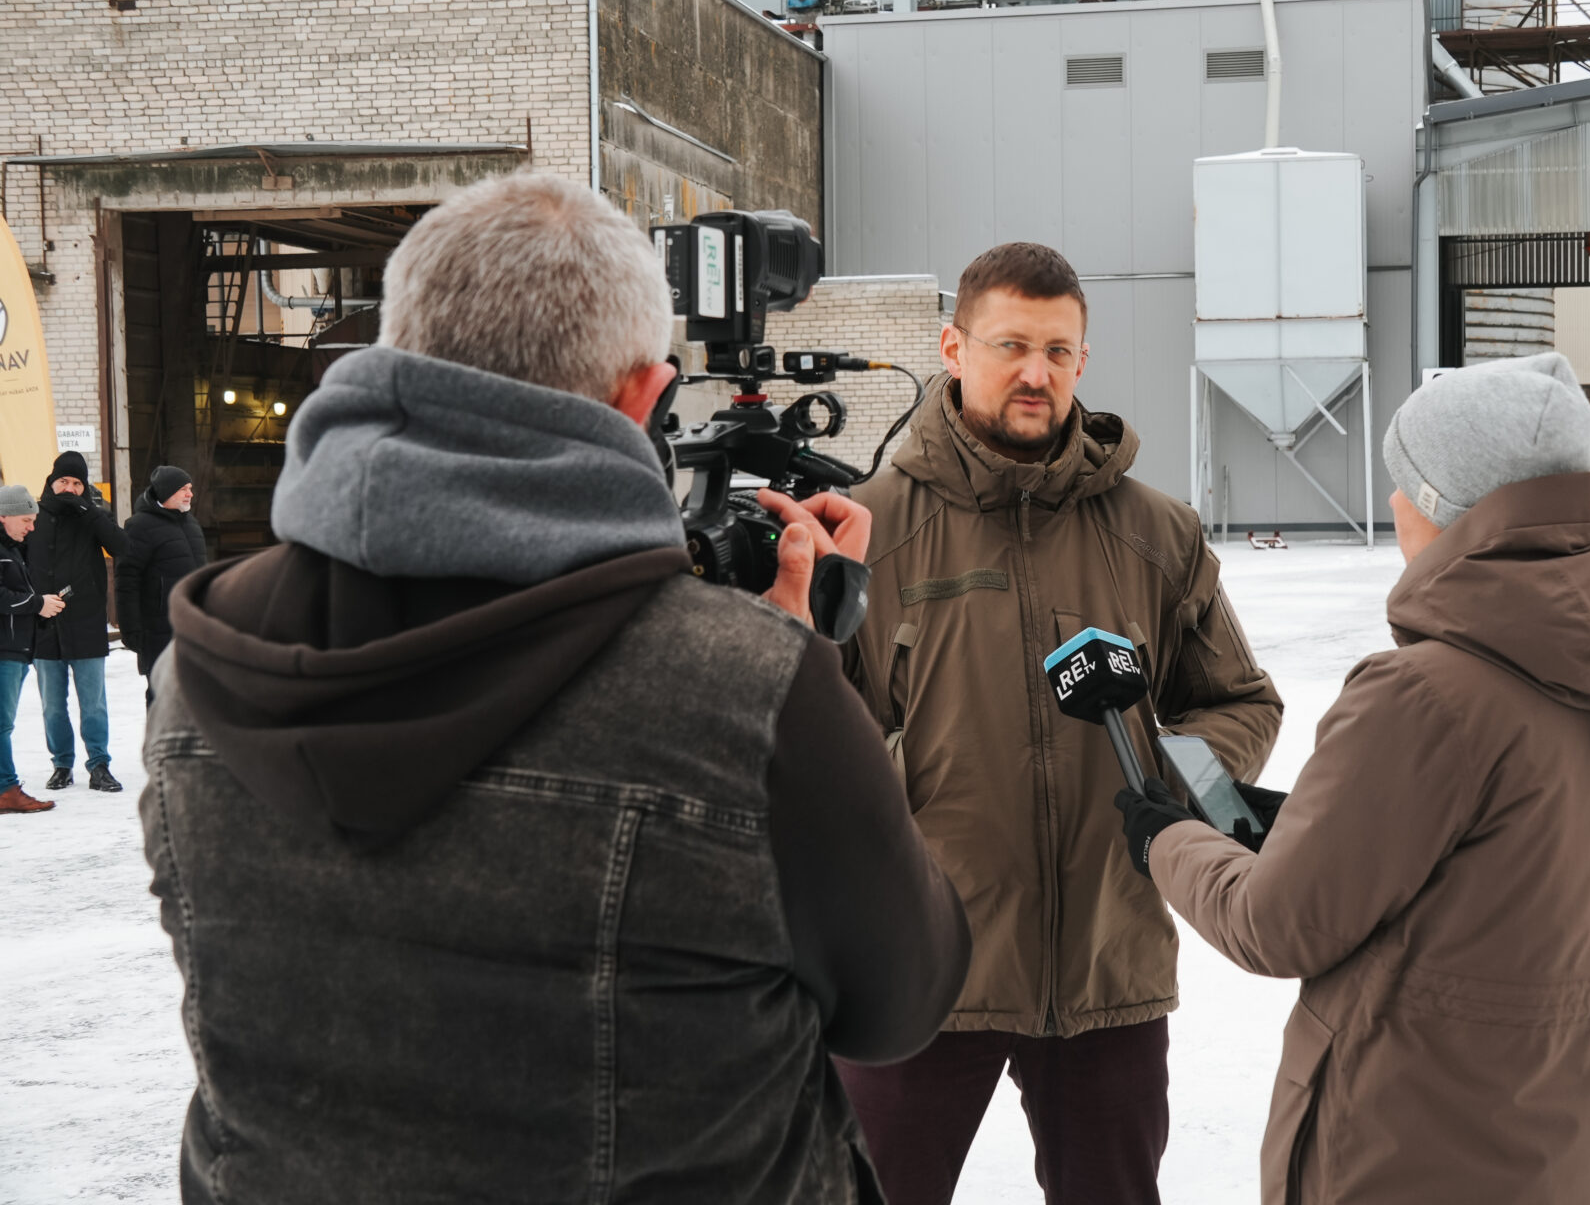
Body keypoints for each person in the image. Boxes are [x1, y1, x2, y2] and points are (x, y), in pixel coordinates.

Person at [138, 172, 969, 1204]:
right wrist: (801, 670)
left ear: (397, 349)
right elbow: (902, 999)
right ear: (642, 395)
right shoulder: (748, 691)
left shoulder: (202, 662)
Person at [1114, 352, 1590, 1205]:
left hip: (1402, 1148)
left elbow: (1275, 926)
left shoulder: (1425, 694)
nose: (1391, 500)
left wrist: (1166, 841)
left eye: (1406, 480)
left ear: (1449, 505)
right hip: (1555, 1143)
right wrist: (1306, 824)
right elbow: (1496, 868)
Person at [837, 241, 1284, 1205]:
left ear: (1083, 359)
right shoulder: (868, 530)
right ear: (953, 348)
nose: (1035, 373)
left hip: (1107, 966)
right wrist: (901, 783)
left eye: (1057, 350)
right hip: (921, 965)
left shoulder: (1157, 532)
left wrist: (1174, 783)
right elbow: (807, 733)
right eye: (1010, 346)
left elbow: (1240, 701)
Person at [26, 450, 132, 792]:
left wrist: (89, 511)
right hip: (45, 625)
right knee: (53, 707)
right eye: (63, 481)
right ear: (51, 482)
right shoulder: (34, 517)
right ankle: (62, 765)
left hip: (86, 623)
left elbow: (122, 546)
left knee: (94, 704)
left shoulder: (92, 517)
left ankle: (99, 765)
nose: (69, 489)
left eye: (77, 483)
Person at [116, 463, 205, 702]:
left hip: (193, 626)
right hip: (157, 630)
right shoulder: (139, 526)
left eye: (190, 488)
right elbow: (127, 580)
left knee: (195, 697)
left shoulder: (192, 524)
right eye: (184, 489)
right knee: (162, 697)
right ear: (166, 492)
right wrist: (130, 628)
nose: (190, 494)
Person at [2, 485, 64, 814]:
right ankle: (6, 790)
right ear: (4, 516)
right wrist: (37, 603)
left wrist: (39, 609)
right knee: (2, 725)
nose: (32, 527)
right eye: (26, 520)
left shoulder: (12, 549)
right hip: (5, 650)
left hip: (15, 648)